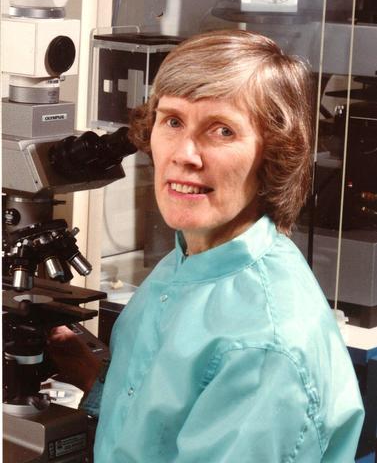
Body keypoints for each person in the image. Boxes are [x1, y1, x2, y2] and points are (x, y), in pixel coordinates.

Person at [49, 29, 364, 462]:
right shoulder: (192, 257)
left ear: (273, 155)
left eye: (221, 130)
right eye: (173, 121)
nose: (185, 154)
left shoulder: (263, 349)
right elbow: (164, 412)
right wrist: (95, 378)